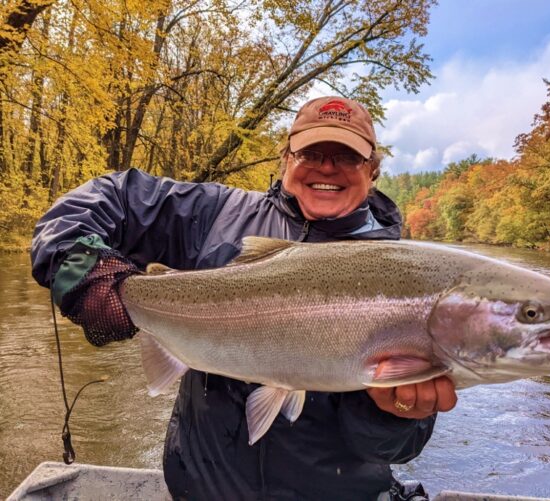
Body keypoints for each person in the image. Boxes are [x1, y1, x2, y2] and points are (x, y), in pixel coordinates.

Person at [31, 96, 457, 500]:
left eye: (347, 156)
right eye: (311, 154)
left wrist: (395, 412)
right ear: (287, 160)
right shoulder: (215, 213)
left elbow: (393, 450)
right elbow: (101, 201)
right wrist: (86, 273)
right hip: (201, 488)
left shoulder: (406, 276)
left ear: (372, 170)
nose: (327, 167)